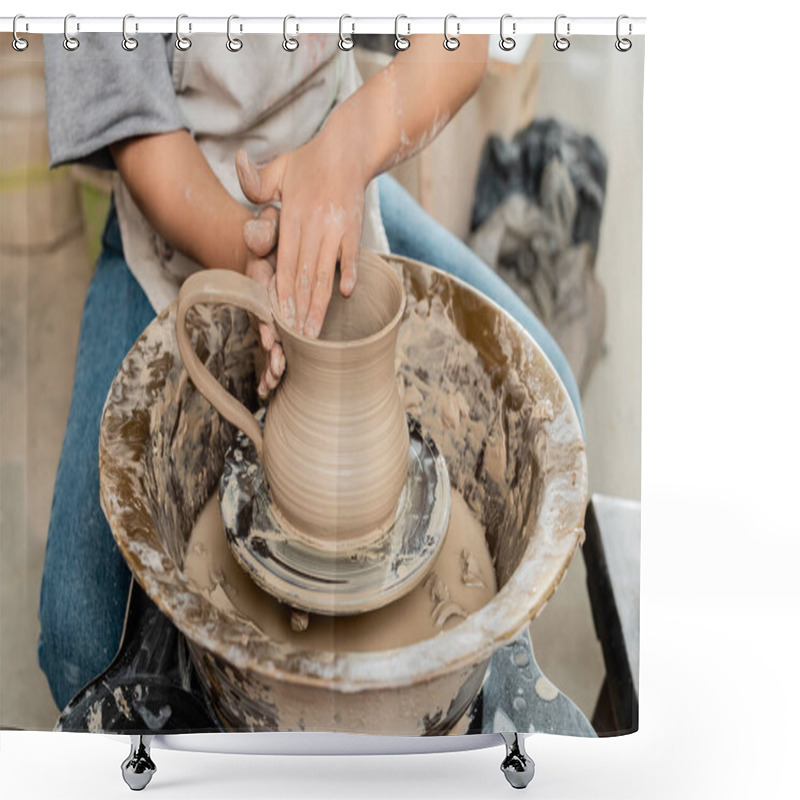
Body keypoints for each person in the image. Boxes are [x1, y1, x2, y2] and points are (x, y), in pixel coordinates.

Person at [38, 32, 582, 712]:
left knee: (552, 404)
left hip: (335, 176)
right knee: (78, 637)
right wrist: (252, 258)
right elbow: (136, 130)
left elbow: (461, 41)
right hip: (176, 203)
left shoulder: (340, 158)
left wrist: (348, 148)